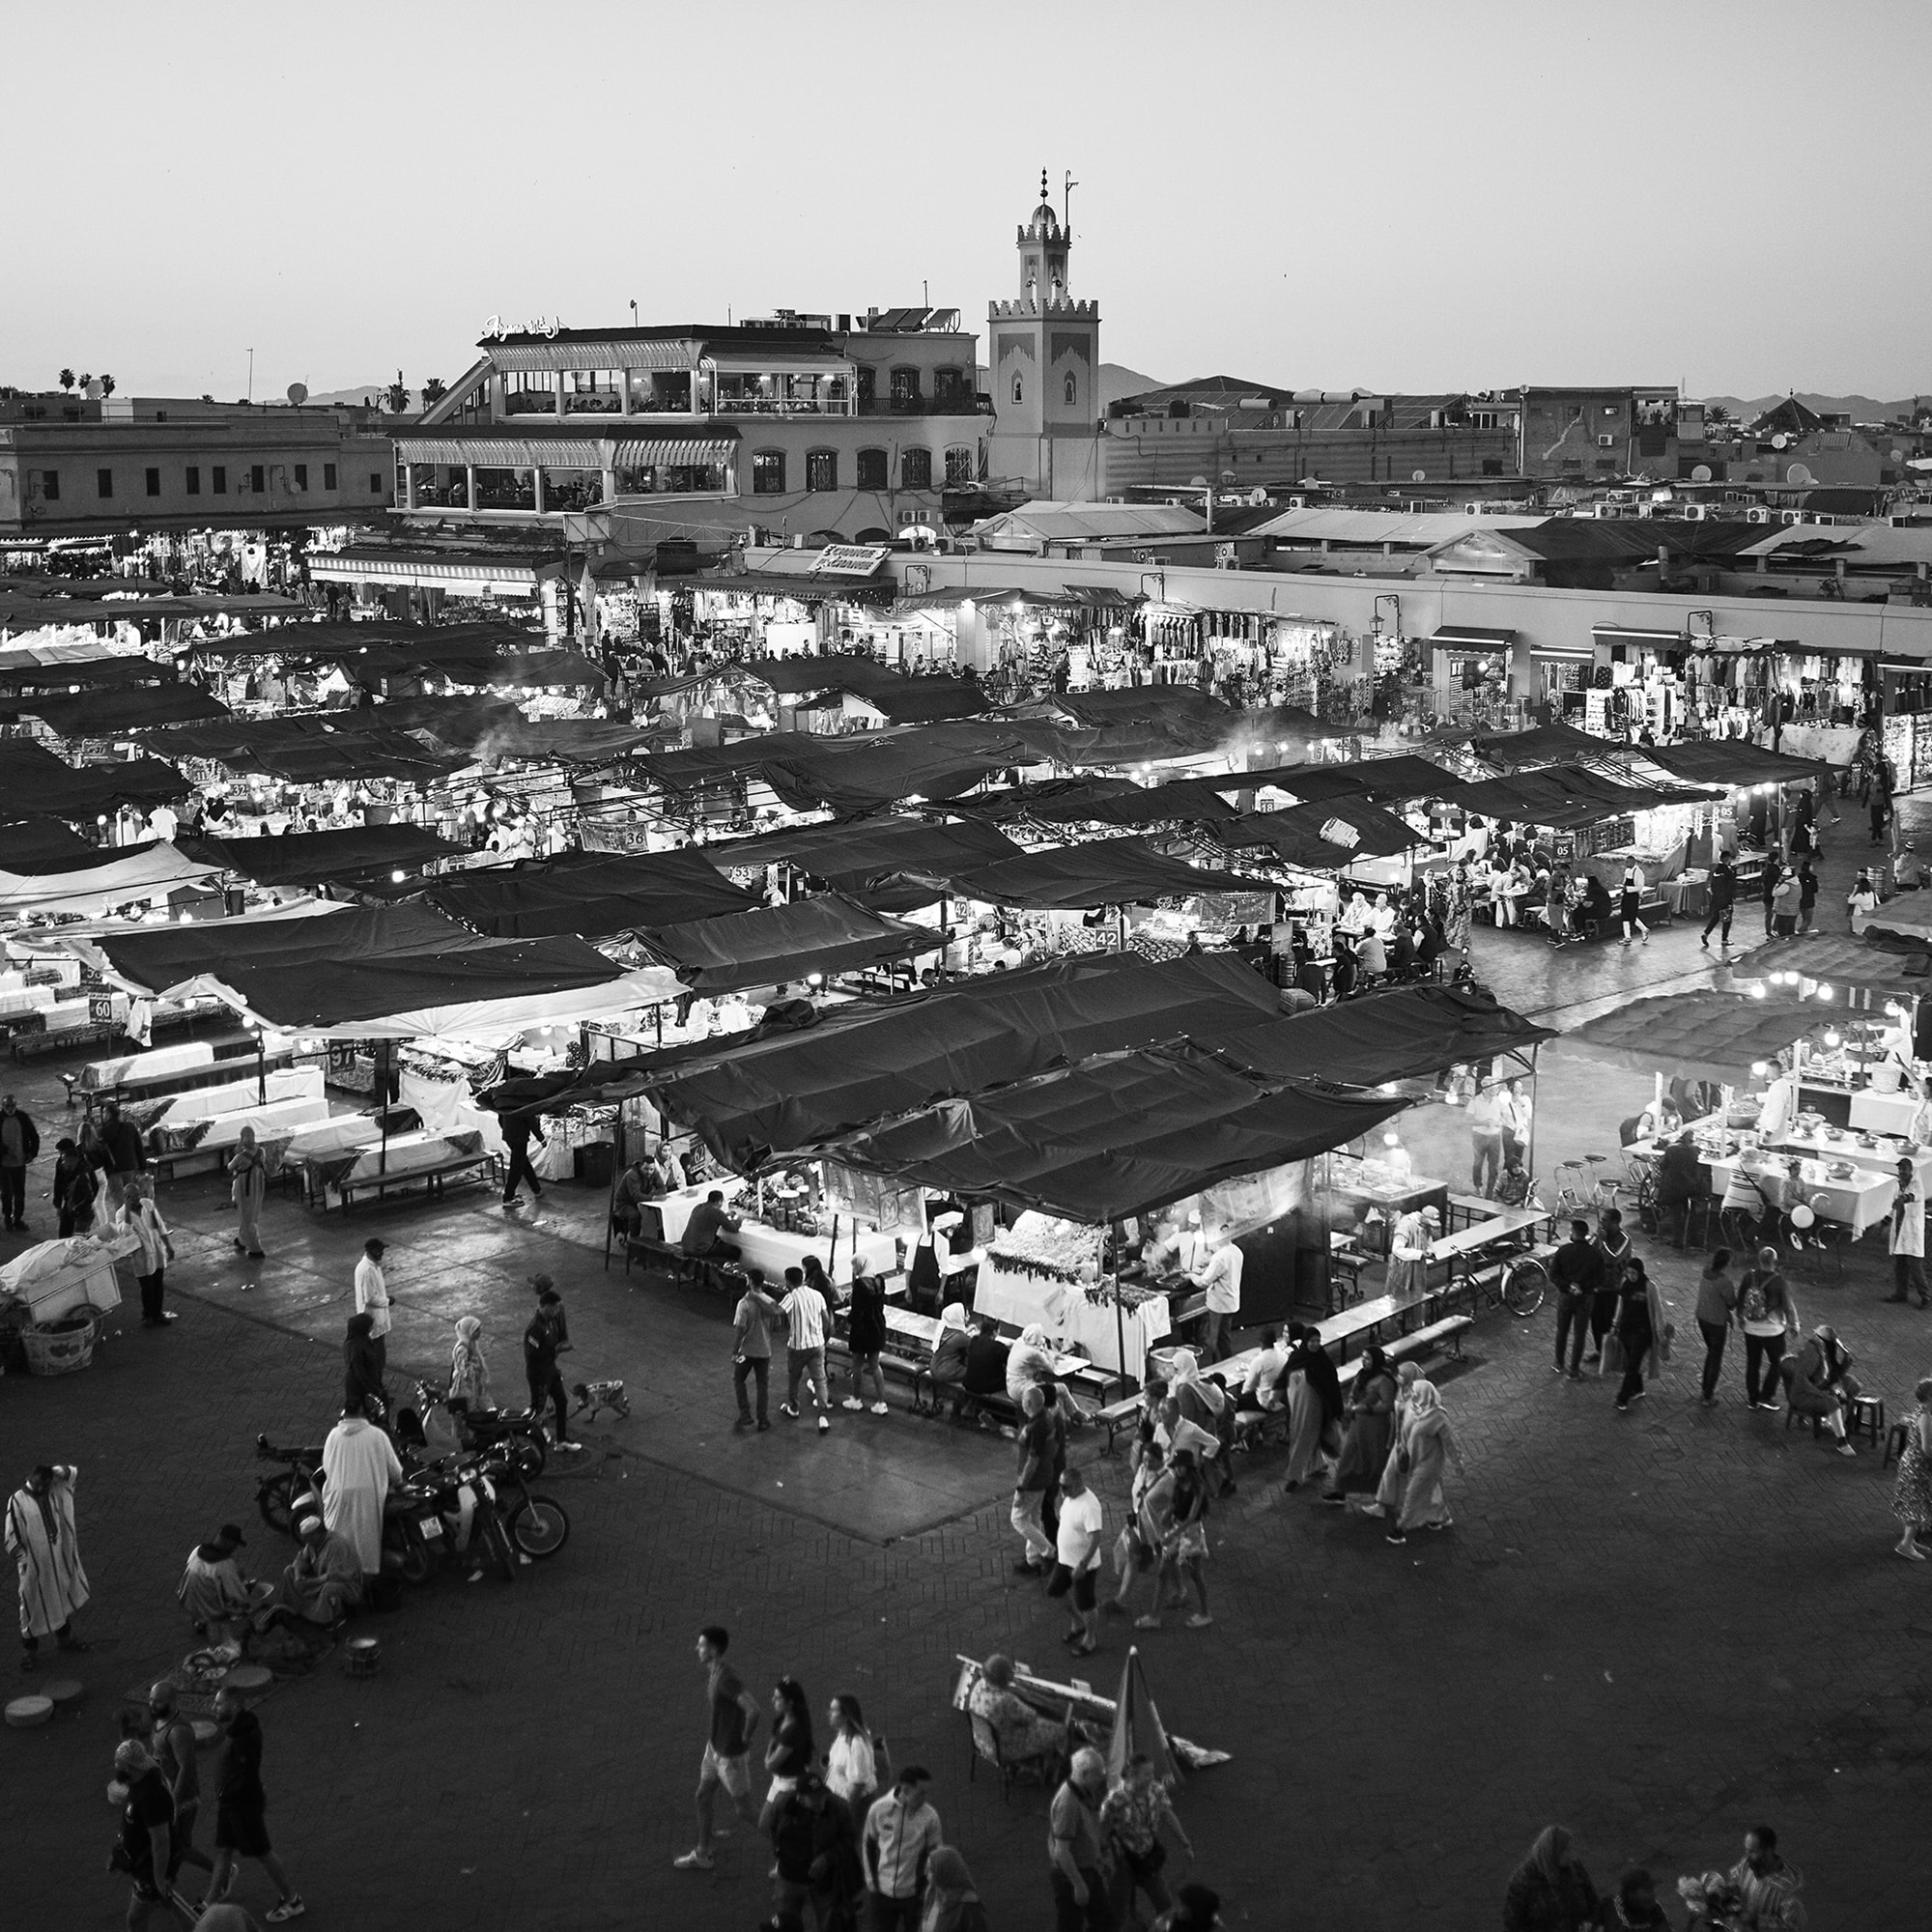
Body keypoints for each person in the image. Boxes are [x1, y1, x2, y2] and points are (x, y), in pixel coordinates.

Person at [196, 1686, 304, 1921]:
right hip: (231, 1805)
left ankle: (292, 1900)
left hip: (241, 1806)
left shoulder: (243, 1737)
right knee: (224, 1850)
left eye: (218, 1704)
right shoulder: (238, 1729)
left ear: (233, 1706)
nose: (214, 1708)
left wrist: (229, 1792)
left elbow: (247, 1773)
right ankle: (209, 1901)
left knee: (263, 1852)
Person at [675, 1625, 763, 1871]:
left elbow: (753, 1710)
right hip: (714, 1750)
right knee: (702, 1796)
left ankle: (789, 1848)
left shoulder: (725, 1678)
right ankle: (703, 1853)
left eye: (701, 1645)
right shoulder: (715, 1671)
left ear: (713, 1650)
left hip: (729, 1757)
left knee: (746, 1812)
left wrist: (745, 1738)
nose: (697, 1648)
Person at [7, 1461, 89, 1669]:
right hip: (33, 1565)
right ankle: (29, 1653)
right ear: (33, 1479)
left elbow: (71, 1475)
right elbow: (11, 1534)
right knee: (32, 1605)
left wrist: (55, 1472)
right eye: (41, 1484)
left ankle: (65, 1640)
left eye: (46, 1484)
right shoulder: (17, 1501)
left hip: (56, 1558)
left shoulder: (51, 1489)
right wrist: (24, 1561)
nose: (44, 1489)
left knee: (59, 1597)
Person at [1101, 1752, 1192, 1923]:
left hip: (1147, 1857)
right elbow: (1102, 1828)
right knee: (1121, 1910)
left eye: (1152, 1772)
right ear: (1132, 1775)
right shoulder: (1115, 1799)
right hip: (1122, 1860)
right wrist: (1104, 1857)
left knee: (1164, 1905)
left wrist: (1185, 1842)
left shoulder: (1157, 1790)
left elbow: (1167, 1814)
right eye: (1147, 1774)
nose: (1152, 1777)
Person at [767, 1765, 860, 1932]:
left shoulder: (839, 1807)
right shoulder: (783, 1804)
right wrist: (781, 1854)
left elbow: (850, 1839)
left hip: (824, 1880)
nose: (821, 1802)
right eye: (815, 1798)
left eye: (823, 1795)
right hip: (790, 1877)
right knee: (786, 1924)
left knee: (829, 1924)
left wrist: (827, 1858)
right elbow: (773, 1830)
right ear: (800, 1798)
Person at [320, 1396, 403, 1577]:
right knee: (366, 1538)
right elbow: (394, 1470)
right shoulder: (377, 1435)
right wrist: (399, 1483)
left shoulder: (333, 1435)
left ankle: (342, 1571)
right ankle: (366, 1574)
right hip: (368, 1495)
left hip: (338, 1493)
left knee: (341, 1536)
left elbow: (327, 1466)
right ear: (363, 1413)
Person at [147, 1680, 214, 1883]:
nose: (152, 1705)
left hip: (182, 1798)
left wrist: (174, 1802)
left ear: (172, 1701)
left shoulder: (178, 1731)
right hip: (165, 1793)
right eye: (150, 1700)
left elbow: (186, 1767)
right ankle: (167, 1880)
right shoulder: (160, 1722)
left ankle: (222, 1873)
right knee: (168, 1843)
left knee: (180, 1846)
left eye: (157, 1702)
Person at [1383, 1378, 1464, 1543]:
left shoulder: (1438, 1416)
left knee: (1413, 1494)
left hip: (1430, 1463)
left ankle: (1400, 1529)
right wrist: (1401, 1446)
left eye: (1415, 1391)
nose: (1412, 1394)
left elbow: (1450, 1442)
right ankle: (1440, 1517)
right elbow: (1403, 1428)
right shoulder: (1411, 1408)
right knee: (1428, 1489)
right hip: (1414, 1459)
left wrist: (1458, 1462)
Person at [863, 1766, 942, 1932]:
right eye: (921, 1793)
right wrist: (872, 1883)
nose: (925, 1798)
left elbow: (936, 1854)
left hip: (914, 1896)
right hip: (882, 1893)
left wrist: (929, 1888)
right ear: (905, 1790)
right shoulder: (878, 1810)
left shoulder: (930, 1817)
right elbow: (868, 1845)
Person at [1141, 1447, 1211, 1630]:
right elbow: (1174, 1503)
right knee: (1164, 1571)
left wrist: (1172, 1533)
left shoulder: (1198, 1486)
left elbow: (1192, 1516)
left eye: (1181, 1466)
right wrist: (1167, 1516)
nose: (1178, 1469)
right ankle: (1155, 1616)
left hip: (1191, 1533)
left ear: (1189, 1466)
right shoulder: (1178, 1483)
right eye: (1177, 1466)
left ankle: (1205, 1613)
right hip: (1177, 1528)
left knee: (1196, 1574)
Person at [113, 1739, 178, 1931]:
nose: (115, 1767)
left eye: (118, 1764)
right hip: (144, 1864)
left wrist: (158, 1878)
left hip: (149, 1869)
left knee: (135, 1919)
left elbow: (161, 1840)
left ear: (129, 1767)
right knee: (146, 1914)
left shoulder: (150, 1797)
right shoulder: (140, 1781)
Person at [177, 1523, 266, 1660]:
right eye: (235, 1545)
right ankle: (242, 1639)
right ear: (229, 1542)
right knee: (247, 1609)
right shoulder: (224, 1565)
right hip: (212, 1611)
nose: (235, 1549)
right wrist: (252, 1602)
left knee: (211, 1590)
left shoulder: (197, 1551)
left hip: (188, 1601)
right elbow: (238, 1596)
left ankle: (200, 1621)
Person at [1048, 1747, 1113, 1932]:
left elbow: (1090, 1827)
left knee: (1104, 1921)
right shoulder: (1067, 1803)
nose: (1103, 1778)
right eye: (1099, 1774)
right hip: (1072, 1876)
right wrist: (1079, 1885)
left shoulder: (1084, 1791)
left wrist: (1100, 1855)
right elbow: (1061, 1851)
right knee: (1071, 1925)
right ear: (1085, 1774)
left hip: (1088, 1869)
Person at [1322, 1345, 1398, 1504]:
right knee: (1349, 1456)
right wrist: (1351, 1401)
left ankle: (1382, 1495)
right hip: (1358, 1423)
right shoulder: (1362, 1375)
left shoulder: (1384, 1380)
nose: (1364, 1361)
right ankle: (1341, 1490)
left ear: (1376, 1360)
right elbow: (1355, 1392)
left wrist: (1367, 1407)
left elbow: (1388, 1405)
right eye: (1362, 1357)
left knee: (1375, 1459)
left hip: (1375, 1425)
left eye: (1367, 1358)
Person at [969, 1652, 1068, 1769]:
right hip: (1004, 1749)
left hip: (982, 1742)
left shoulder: (978, 1686)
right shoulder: (1005, 1700)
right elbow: (1030, 1717)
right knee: (1061, 1730)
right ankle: (1060, 1764)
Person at [1047, 1463, 1104, 1658]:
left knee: (1086, 1603)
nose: (1062, 1491)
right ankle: (1078, 1622)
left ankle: (1090, 1638)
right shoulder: (1069, 1497)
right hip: (1065, 1559)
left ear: (1079, 1483)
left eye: (1066, 1487)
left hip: (1083, 1564)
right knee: (1055, 1590)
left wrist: (1083, 1564)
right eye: (1060, 1486)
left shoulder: (1090, 1505)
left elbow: (1096, 1537)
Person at [1501, 1826, 1602, 1932]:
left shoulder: (1575, 1869)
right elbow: (1512, 1923)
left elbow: (1593, 1902)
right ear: (1552, 1853)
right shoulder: (1523, 1880)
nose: (1571, 1855)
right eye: (1566, 1850)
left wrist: (1590, 1923)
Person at [271, 1514, 363, 1627]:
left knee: (329, 1588)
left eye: (307, 1538)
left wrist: (309, 1582)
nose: (305, 1541)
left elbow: (334, 1576)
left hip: (346, 1585)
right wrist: (298, 1576)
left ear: (317, 1534)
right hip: (320, 1578)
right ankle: (295, 1608)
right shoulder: (313, 1543)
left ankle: (328, 1619)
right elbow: (301, 1559)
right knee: (288, 1571)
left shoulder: (336, 1545)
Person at [1281, 1325, 1343, 1491]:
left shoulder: (1323, 1360)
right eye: (1312, 1341)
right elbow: (1285, 1377)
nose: (1315, 1344)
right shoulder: (1297, 1358)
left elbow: (1331, 1384)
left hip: (1316, 1408)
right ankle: (1316, 1465)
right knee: (1306, 1438)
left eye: (1318, 1341)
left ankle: (1294, 1477)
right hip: (1299, 1406)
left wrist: (1335, 1408)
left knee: (1302, 1439)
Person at [1784, 1327, 1859, 1457]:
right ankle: (1842, 1442)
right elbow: (1800, 1380)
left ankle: (1845, 1421)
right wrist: (1821, 1394)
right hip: (1803, 1395)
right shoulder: (1811, 1352)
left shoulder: (1826, 1351)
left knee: (1852, 1384)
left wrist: (1846, 1359)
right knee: (1832, 1401)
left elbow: (1835, 1375)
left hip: (1822, 1387)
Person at [1738, 1247, 1796, 1411]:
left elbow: (1741, 1298)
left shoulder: (1749, 1276)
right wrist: (1794, 1324)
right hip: (1773, 1331)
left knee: (1753, 1364)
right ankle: (1767, 1396)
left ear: (1759, 1259)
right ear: (1775, 1261)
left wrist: (1740, 1318)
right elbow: (1787, 1307)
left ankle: (1752, 1399)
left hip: (1751, 1328)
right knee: (1777, 1363)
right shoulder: (1779, 1281)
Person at [1548, 1219, 1605, 1380]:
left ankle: (1559, 1363)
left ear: (1573, 1233)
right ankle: (1574, 1369)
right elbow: (1600, 1278)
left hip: (1565, 1297)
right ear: (1586, 1234)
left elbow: (1553, 1274)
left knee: (1562, 1330)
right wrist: (1583, 1288)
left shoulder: (1563, 1251)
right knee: (1579, 1334)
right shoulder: (1595, 1254)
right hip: (1585, 1299)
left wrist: (1568, 1286)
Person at [780, 1264, 834, 1432]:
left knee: (794, 1378)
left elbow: (777, 1312)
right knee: (820, 1380)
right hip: (817, 1344)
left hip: (797, 1346)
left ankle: (794, 1408)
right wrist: (823, 1337)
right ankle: (823, 1416)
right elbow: (826, 1319)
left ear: (788, 1281)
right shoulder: (817, 1295)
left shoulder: (791, 1297)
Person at [1011, 1385, 1058, 1575]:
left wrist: (1021, 1487)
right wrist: (1000, 1428)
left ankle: (1049, 1552)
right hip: (1045, 1476)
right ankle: (1033, 1559)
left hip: (1033, 1480)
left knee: (1018, 1519)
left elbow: (1032, 1459)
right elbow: (1026, 1441)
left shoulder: (1037, 1426)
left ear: (1029, 1403)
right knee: (1034, 1517)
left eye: (1023, 1399)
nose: (1021, 1402)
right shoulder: (1045, 1418)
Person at [118, 1174, 176, 1328]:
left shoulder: (148, 1205)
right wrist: (128, 1213)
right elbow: (125, 1233)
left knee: (158, 1284)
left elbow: (160, 1226)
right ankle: (147, 1315)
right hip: (141, 1256)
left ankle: (158, 1313)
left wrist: (168, 1246)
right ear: (126, 1197)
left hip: (156, 1250)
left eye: (138, 1196)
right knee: (147, 1287)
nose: (138, 1199)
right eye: (133, 1197)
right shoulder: (121, 1214)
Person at [1610, 1256, 1668, 1411]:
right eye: (1628, 1273)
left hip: (1643, 1332)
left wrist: (1660, 1332)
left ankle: (1622, 1398)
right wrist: (1615, 1323)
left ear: (1640, 1272)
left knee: (1632, 1364)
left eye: (1633, 1273)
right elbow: (1620, 1305)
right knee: (1631, 1362)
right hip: (1626, 1329)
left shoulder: (1650, 1287)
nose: (1631, 1276)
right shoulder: (1626, 1285)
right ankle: (1638, 1388)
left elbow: (1657, 1311)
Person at [731, 1266, 783, 1431]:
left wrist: (735, 1350)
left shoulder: (744, 1303)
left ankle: (745, 1415)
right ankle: (763, 1419)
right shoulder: (769, 1301)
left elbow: (740, 1329)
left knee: (739, 1380)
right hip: (764, 1350)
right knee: (762, 1385)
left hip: (747, 1350)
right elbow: (777, 1325)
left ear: (750, 1281)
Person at [524, 1290, 577, 1448]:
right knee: (537, 1410)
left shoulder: (551, 1322)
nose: (556, 1312)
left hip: (550, 1369)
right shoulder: (535, 1328)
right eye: (553, 1308)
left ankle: (561, 1440)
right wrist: (556, 1350)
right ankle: (529, 1443)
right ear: (545, 1306)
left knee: (561, 1401)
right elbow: (531, 1355)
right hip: (539, 1374)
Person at [1727, 1825, 1804, 1931]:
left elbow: (1792, 1928)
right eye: (1747, 1850)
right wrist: (1728, 1892)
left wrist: (1755, 1922)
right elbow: (1734, 1881)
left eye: (1753, 1851)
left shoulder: (1788, 1889)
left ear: (1768, 1852)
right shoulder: (1748, 1864)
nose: (1747, 1856)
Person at [762, 1676, 815, 1824]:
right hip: (779, 1781)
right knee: (770, 1824)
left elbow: (770, 1764)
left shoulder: (793, 1731)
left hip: (788, 1785)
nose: (773, 1700)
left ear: (790, 1703)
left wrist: (768, 1755)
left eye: (778, 1698)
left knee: (768, 1824)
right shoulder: (782, 1720)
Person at [1891, 1376, 1932, 1560]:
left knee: (1913, 1501)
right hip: (1917, 1466)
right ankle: (1905, 1545)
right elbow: (1927, 1449)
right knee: (1917, 1504)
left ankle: (1911, 1539)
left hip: (1911, 1462)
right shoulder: (1926, 1418)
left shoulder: (1921, 1411)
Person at [1189, 1230, 1243, 1363]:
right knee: (1224, 1337)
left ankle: (1220, 1369)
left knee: (1218, 1341)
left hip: (1219, 1305)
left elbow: (1203, 1282)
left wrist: (1191, 1275)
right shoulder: (1236, 1251)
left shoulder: (1220, 1257)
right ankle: (1223, 1365)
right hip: (1231, 1301)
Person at [1588, 1208, 1633, 1370]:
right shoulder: (1601, 1237)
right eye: (1601, 1220)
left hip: (1614, 1288)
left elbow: (1613, 1259)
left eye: (1605, 1220)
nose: (1602, 1223)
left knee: (1611, 1323)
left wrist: (1604, 1242)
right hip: (1598, 1286)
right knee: (1596, 1322)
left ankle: (1614, 1356)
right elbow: (1591, 1252)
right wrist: (1597, 1239)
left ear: (1615, 1222)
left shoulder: (1625, 1239)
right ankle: (1600, 1351)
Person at [1694, 1249, 1739, 1405]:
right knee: (1715, 1356)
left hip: (1702, 1318)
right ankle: (1708, 1395)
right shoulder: (1724, 1282)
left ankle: (1704, 1390)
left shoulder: (1705, 1274)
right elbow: (1731, 1303)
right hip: (1716, 1323)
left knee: (1711, 1353)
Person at [845, 1269, 892, 1415]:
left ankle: (857, 1399)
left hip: (861, 1330)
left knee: (857, 1365)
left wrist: (849, 1320)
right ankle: (881, 1402)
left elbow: (857, 1311)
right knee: (875, 1365)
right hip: (876, 1328)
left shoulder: (859, 1285)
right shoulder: (879, 1283)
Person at [1885, 1155, 1928, 1307]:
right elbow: (1893, 1207)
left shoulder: (1916, 1185)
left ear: (1911, 1170)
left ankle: (1926, 1296)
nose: (1902, 1171)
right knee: (1900, 1265)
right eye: (1900, 1168)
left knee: (1915, 1265)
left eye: (1904, 1168)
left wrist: (1902, 1199)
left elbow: (1913, 1196)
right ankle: (1901, 1293)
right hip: (1899, 1230)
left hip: (1911, 1231)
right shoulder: (1898, 1185)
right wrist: (1886, 1221)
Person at [826, 1691, 878, 1811]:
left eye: (834, 1710)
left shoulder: (856, 1743)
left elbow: (858, 1784)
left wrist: (846, 1814)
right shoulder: (842, 1736)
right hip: (839, 1802)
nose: (829, 1714)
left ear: (847, 1715)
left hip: (854, 1806)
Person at [1657, 1130, 1706, 1248]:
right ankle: (1693, 1237)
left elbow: (1662, 1166)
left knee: (1677, 1214)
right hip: (1691, 1188)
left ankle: (1678, 1240)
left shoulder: (1671, 1149)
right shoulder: (1695, 1150)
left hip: (1673, 1188)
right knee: (1692, 1211)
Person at [921, 1846, 986, 1932]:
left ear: (944, 1872)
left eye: (931, 1870)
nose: (925, 1873)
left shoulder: (968, 1906)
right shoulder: (933, 1895)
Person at [0, 1092, 39, 1232]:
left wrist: (31, 1153)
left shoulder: (22, 1118)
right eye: (7, 1105)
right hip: (4, 1165)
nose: (10, 1108)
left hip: (19, 1163)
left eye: (12, 1105)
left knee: (19, 1192)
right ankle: (7, 1218)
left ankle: (17, 1218)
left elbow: (33, 1136)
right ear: (2, 1106)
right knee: (6, 1193)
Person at [227, 1124, 268, 1258]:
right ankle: (242, 1240)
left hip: (245, 1188)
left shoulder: (240, 1156)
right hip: (258, 1187)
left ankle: (256, 1249)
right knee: (253, 1213)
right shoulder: (262, 1151)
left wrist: (237, 1150)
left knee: (246, 1216)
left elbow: (230, 1167)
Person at [353, 1238, 390, 1378]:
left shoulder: (373, 1266)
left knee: (377, 1355)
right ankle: (376, 1385)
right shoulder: (367, 1269)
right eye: (380, 1251)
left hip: (375, 1318)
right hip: (372, 1319)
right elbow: (369, 1298)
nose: (382, 1253)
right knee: (376, 1357)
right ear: (371, 1251)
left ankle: (376, 1383)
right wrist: (387, 1301)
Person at [926, 1302, 972, 1418]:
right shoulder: (961, 1338)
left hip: (934, 1366)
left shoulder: (943, 1328)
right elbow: (974, 1343)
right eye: (966, 1315)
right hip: (945, 1370)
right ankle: (966, 1406)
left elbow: (957, 1336)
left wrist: (967, 1330)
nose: (968, 1317)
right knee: (975, 1375)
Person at [1385, 1204, 1438, 1302]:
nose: (1430, 1226)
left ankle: (1414, 1316)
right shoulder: (1405, 1225)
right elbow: (1397, 1249)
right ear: (1423, 1217)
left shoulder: (1425, 1225)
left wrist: (1429, 1251)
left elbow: (1428, 1240)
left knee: (1417, 1296)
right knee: (1398, 1298)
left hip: (1418, 1266)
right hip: (1402, 1266)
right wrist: (1419, 1254)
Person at [342, 1313, 385, 1424]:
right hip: (360, 1388)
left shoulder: (356, 1342)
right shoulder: (357, 1346)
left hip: (360, 1384)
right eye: (370, 1325)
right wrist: (375, 1390)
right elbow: (359, 1372)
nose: (372, 1328)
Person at [961, 1319, 1009, 1417]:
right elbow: (1008, 1362)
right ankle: (1000, 1416)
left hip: (969, 1382)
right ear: (995, 1331)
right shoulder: (999, 1347)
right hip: (987, 1386)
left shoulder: (974, 1341)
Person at [51, 1134, 97, 1236]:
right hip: (70, 1203)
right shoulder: (62, 1162)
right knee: (65, 1233)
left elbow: (93, 1188)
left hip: (79, 1208)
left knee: (78, 1238)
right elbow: (58, 1183)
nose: (62, 1160)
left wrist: (79, 1206)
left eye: (62, 1154)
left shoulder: (83, 1169)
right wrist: (58, 1204)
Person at [681, 1187, 743, 1263]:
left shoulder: (698, 1207)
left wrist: (724, 1215)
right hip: (699, 1249)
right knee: (735, 1251)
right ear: (719, 1202)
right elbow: (733, 1229)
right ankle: (728, 1269)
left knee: (719, 1241)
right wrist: (739, 1219)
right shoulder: (716, 1212)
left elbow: (710, 1218)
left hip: (685, 1245)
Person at [1468, 1081, 1507, 1195]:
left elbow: (1505, 1118)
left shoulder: (1499, 1100)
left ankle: (1490, 1191)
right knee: (1478, 1163)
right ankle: (1477, 1186)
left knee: (1494, 1166)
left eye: (1495, 1089)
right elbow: (1467, 1119)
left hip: (1495, 1136)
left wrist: (1498, 1123)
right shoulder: (1475, 1101)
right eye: (1492, 1089)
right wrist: (1482, 1123)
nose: (1494, 1092)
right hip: (1479, 1136)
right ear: (1484, 1089)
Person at [498, 1106, 543, 1208]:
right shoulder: (524, 1102)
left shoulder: (507, 1099)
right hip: (520, 1137)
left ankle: (536, 1189)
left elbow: (500, 1117)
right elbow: (531, 1121)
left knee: (523, 1162)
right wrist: (541, 1138)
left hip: (509, 1135)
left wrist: (506, 1129)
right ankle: (508, 1197)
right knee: (517, 1168)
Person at [1006, 1323, 1060, 1406]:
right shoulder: (1033, 1353)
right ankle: (1074, 1414)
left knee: (1047, 1386)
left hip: (1011, 1386)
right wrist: (1046, 1351)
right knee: (1060, 1389)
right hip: (1022, 1389)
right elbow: (1051, 1368)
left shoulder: (1019, 1341)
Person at [447, 1315, 492, 1411]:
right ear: (469, 1332)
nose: (480, 1332)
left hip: (472, 1390)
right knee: (464, 1419)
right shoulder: (462, 1349)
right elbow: (465, 1372)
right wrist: (475, 1366)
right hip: (462, 1393)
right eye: (476, 1330)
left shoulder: (472, 1344)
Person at [97, 1098, 146, 1182]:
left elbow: (101, 1153)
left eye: (104, 1113)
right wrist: (143, 1167)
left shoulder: (103, 1131)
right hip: (130, 1166)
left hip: (113, 1170)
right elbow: (139, 1148)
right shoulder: (130, 1127)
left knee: (117, 1194)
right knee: (131, 1193)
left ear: (108, 1114)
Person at [1701, 855, 1737, 951]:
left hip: (1716, 899)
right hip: (1725, 899)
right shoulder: (1728, 872)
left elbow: (1712, 885)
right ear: (1728, 859)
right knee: (1727, 919)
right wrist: (1730, 899)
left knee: (1716, 917)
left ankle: (1706, 933)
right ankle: (1724, 939)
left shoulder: (1715, 870)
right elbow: (1730, 887)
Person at [1617, 865, 1649, 946]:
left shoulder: (1639, 873)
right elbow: (1625, 884)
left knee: (1632, 916)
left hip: (1634, 897)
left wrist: (1628, 889)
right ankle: (1627, 937)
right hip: (1626, 896)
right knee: (1625, 915)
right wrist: (1622, 891)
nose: (1626, 863)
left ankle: (1644, 929)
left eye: (1628, 862)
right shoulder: (1627, 871)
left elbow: (1640, 886)